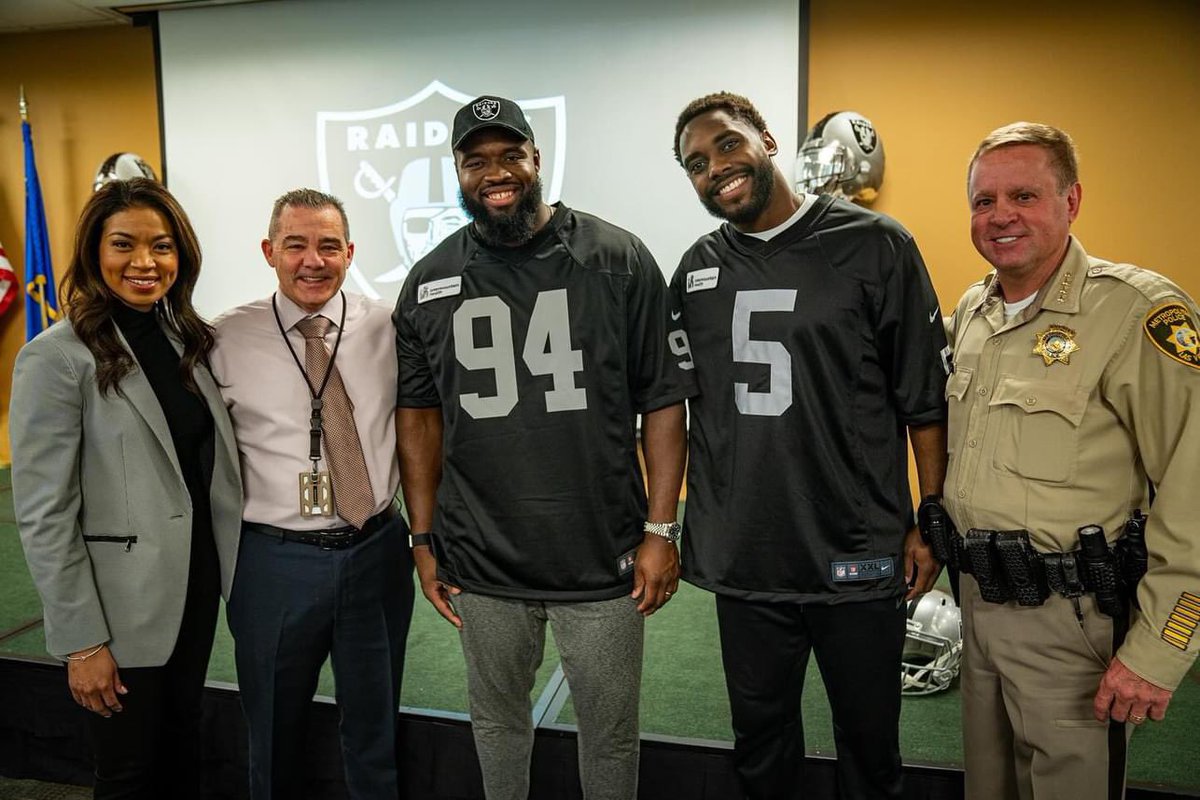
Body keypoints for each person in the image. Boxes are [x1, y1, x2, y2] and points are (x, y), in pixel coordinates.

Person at [394, 95, 692, 800]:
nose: (494, 173)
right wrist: (423, 536)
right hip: (483, 554)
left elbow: (664, 400)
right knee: (498, 728)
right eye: (476, 161)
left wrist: (661, 527)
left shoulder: (615, 257)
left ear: (536, 158)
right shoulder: (429, 279)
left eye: (509, 156)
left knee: (610, 735)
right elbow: (419, 416)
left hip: (602, 554)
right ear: (459, 174)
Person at [669, 92, 949, 800]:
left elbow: (923, 400)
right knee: (760, 747)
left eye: (727, 146)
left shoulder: (877, 244)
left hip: (855, 545)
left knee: (869, 745)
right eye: (695, 164)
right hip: (747, 555)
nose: (716, 170)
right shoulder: (695, 269)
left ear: (765, 140)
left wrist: (930, 515)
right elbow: (676, 408)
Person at [942, 122, 1200, 799]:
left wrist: (1159, 651)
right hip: (980, 609)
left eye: (1023, 195)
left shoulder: (1138, 312)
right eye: (983, 201)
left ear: (1072, 201)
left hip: (1074, 624)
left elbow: (1194, 488)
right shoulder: (975, 310)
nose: (1000, 216)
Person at [11, 178, 242, 799]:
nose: (144, 262)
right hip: (117, 613)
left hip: (192, 593)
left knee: (179, 751)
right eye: (124, 245)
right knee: (128, 774)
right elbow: (43, 513)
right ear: (94, 252)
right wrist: (81, 640)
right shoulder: (55, 358)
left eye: (161, 247)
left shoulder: (184, 342)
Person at [210, 189, 413, 800]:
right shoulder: (222, 339)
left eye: (329, 246)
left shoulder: (387, 326)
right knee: (273, 730)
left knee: (375, 728)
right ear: (269, 251)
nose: (312, 260)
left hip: (375, 552)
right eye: (295, 244)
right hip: (272, 563)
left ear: (350, 252)